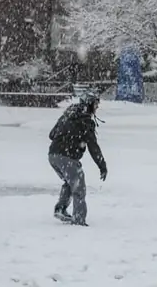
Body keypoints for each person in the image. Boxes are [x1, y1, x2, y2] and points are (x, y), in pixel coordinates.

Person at [48, 92, 107, 226]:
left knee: (70, 182)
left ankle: (61, 209)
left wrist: (66, 136)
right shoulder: (86, 121)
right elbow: (93, 146)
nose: (97, 107)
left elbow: (51, 135)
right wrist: (102, 165)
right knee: (78, 187)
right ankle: (79, 219)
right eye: (96, 104)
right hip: (67, 157)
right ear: (89, 104)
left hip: (52, 155)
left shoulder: (67, 115)